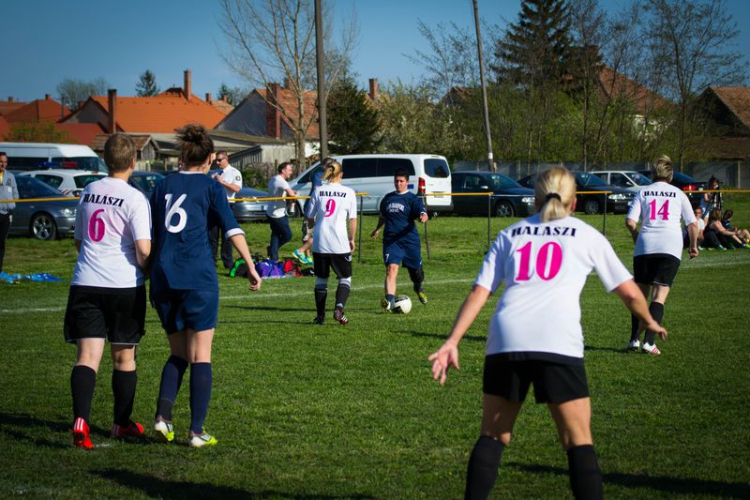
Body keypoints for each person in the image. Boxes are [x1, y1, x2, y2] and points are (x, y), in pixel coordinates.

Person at [428, 166, 667, 500]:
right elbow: (628, 291)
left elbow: (479, 293)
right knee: (577, 440)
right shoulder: (585, 234)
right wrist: (648, 320)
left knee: (494, 436)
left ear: (534, 199)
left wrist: (452, 341)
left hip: (506, 337)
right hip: (557, 338)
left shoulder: (511, 234)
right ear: (574, 201)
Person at [149, 124, 262, 448]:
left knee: (177, 353)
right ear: (211, 158)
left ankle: (162, 416)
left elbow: (148, 233)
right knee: (201, 355)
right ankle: (196, 431)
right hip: (197, 277)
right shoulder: (212, 187)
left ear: (183, 155)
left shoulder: (161, 185)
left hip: (163, 277)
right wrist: (251, 266)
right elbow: (231, 230)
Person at [64, 134, 152, 449]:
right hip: (123, 285)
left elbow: (78, 240)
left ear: (104, 160)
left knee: (87, 357)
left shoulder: (89, 191)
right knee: (124, 358)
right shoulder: (135, 198)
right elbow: (143, 250)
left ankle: (81, 420)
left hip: (85, 281)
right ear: (133, 162)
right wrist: (149, 271)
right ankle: (121, 423)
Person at [626, 155, 699, 355]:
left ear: (653, 174)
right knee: (659, 296)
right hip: (670, 246)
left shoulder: (644, 192)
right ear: (671, 175)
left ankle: (634, 340)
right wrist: (693, 246)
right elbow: (692, 224)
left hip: (645, 246)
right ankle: (649, 343)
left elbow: (630, 222)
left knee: (640, 295)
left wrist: (636, 238)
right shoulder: (679, 194)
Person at [304, 161, 357, 325]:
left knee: (321, 279)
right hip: (339, 242)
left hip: (320, 242)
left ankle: (320, 317)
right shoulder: (348, 192)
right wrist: (352, 238)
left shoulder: (318, 190)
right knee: (345, 277)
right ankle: (339, 308)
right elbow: (353, 219)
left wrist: (312, 227)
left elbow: (310, 217)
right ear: (341, 174)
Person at [370, 168, 429, 311]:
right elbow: (383, 216)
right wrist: (377, 229)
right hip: (391, 241)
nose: (398, 184)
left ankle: (418, 287)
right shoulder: (388, 198)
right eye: (396, 181)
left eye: (401, 181)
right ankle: (389, 302)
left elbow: (423, 213)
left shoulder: (412, 199)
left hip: (410, 241)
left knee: (416, 272)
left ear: (407, 182)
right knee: (391, 269)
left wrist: (423, 218)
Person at [293, 157, 332, 265]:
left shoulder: (330, 176)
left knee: (317, 233)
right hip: (313, 206)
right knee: (310, 232)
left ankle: (306, 255)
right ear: (325, 166)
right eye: (330, 167)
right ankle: (302, 252)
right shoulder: (318, 173)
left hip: (323, 208)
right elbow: (317, 190)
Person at [209, 151, 243, 268]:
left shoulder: (234, 172)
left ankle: (227, 262)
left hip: (227, 204)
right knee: (212, 235)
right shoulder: (216, 172)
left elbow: (237, 189)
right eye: (216, 160)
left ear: (226, 159)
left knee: (227, 235)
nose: (217, 163)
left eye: (220, 160)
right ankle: (211, 261)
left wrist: (222, 182)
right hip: (214, 206)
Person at [266, 162, 297, 262]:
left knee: (275, 234)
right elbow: (291, 194)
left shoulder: (274, 179)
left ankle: (274, 257)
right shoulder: (281, 181)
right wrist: (293, 195)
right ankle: (272, 250)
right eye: (289, 170)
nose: (291, 172)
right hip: (277, 214)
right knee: (287, 235)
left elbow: (282, 193)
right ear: (283, 170)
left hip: (271, 212)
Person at [0, 152, 18, 273]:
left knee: (1, 242)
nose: (3, 164)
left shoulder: (10, 176)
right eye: (1, 161)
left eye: (5, 162)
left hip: (6, 214)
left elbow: (15, 193)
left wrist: (12, 204)